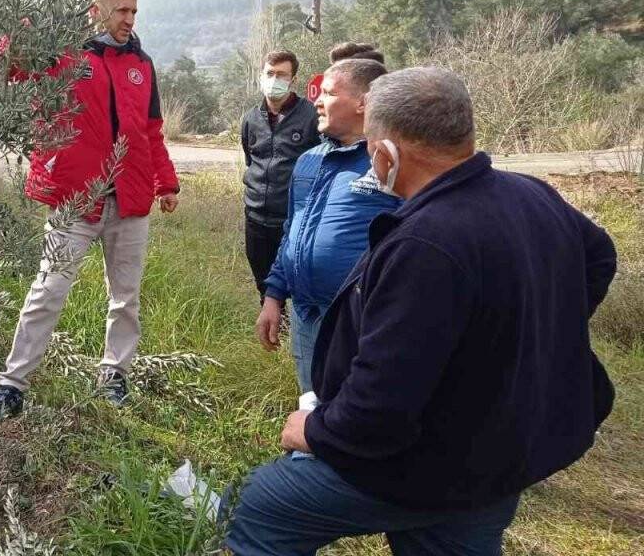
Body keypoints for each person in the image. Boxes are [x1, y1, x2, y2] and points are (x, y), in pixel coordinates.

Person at [225, 67, 617, 556]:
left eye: (371, 147)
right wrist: (527, 328)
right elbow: (600, 256)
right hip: (494, 454)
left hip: (430, 464)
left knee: (258, 505)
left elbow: (379, 411)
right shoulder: (532, 194)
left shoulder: (426, 245)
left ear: (387, 153)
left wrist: (315, 430)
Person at [0, 0, 180, 425]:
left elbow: (150, 131)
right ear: (95, 10)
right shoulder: (62, 54)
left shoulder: (142, 65)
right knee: (47, 290)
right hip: (75, 200)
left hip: (128, 200)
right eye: (121, 11)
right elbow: (6, 62)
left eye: (134, 11)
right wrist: (40, 20)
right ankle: (12, 385)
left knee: (125, 298)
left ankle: (114, 374)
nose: (129, 20)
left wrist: (165, 182)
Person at [255, 59, 398, 394]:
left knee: (358, 412)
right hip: (307, 315)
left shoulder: (390, 164)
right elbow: (292, 231)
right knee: (313, 402)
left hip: (360, 320)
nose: (316, 101)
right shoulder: (309, 161)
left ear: (365, 102)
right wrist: (274, 295)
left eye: (330, 93)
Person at [240, 50, 320, 299]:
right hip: (255, 216)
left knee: (294, 280)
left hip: (293, 217)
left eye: (282, 75)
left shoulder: (311, 117)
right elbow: (250, 160)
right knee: (263, 281)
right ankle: (273, 326)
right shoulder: (251, 119)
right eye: (270, 73)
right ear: (261, 76)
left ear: (293, 79)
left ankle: (293, 330)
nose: (274, 80)